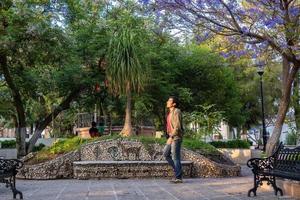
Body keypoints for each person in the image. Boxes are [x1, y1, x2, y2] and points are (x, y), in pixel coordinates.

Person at [163, 96, 184, 183]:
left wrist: (171, 137)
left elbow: (177, 127)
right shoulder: (169, 113)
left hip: (176, 137)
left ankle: (178, 177)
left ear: (174, 104)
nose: (167, 101)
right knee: (166, 154)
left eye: (170, 100)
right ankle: (179, 171)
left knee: (176, 157)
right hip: (171, 137)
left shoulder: (177, 111)